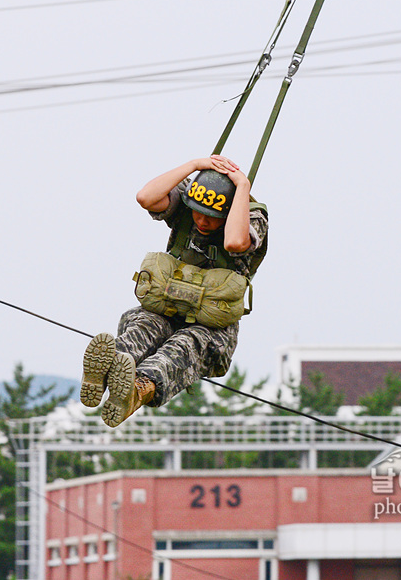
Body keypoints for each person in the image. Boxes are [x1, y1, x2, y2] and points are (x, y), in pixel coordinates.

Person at [81, 155, 269, 427]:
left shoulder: (250, 216)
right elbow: (146, 197)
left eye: (213, 217)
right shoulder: (189, 201)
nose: (202, 222)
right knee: (142, 329)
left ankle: (136, 390)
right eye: (198, 213)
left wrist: (242, 187)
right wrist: (194, 166)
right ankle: (107, 368)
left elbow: (235, 241)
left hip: (211, 331)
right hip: (166, 310)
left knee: (180, 349)